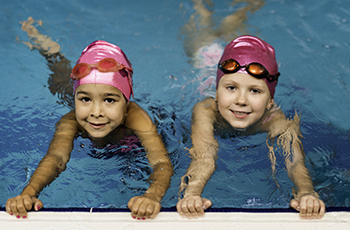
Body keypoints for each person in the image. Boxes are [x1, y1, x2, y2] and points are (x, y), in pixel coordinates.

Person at [6, 40, 173, 220]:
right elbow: (56, 158)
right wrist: (29, 192)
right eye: (84, 99)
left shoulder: (138, 119)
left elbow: (160, 163)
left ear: (126, 104)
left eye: (109, 100)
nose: (96, 113)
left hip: (136, 136)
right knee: (59, 83)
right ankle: (51, 52)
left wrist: (152, 195)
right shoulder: (71, 121)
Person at [176, 35, 326, 220]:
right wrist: (192, 193)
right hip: (203, 69)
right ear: (216, 92)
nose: (241, 100)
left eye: (255, 91)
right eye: (231, 87)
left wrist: (306, 192)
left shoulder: (275, 120)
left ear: (270, 101)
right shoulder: (206, 110)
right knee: (203, 43)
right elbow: (204, 156)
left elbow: (294, 160)